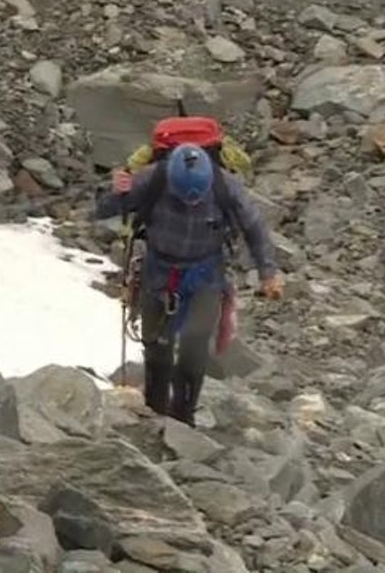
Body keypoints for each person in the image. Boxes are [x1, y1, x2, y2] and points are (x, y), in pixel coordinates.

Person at [94, 143, 285, 426]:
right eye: (184, 197)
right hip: (158, 273)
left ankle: (184, 417)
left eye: (197, 198)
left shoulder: (225, 187)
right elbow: (104, 209)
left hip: (204, 275)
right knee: (156, 345)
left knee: (194, 345)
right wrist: (116, 191)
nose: (191, 201)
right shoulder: (152, 179)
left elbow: (254, 228)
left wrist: (268, 272)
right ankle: (155, 412)